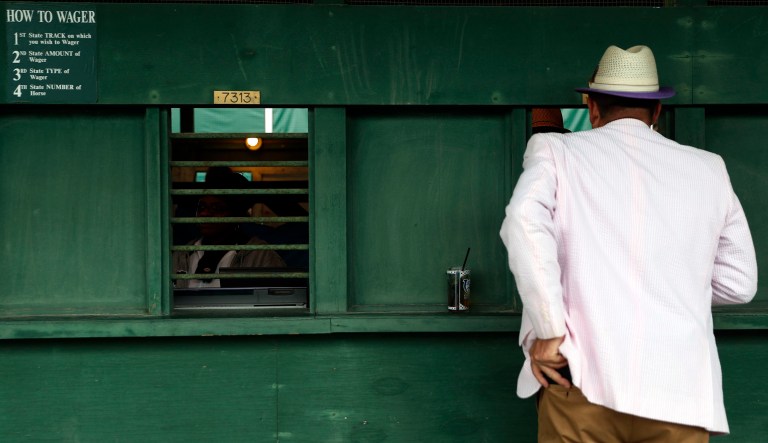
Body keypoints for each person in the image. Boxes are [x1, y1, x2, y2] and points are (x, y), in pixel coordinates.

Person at [500, 45, 757, 441]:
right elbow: (739, 285)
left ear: (593, 108)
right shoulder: (709, 168)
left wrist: (551, 330)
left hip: (579, 380)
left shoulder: (556, 150)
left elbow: (522, 221)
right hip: (680, 391)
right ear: (657, 112)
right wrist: (667, 287)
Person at [173, 167, 286, 288]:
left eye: (216, 208)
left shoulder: (260, 256)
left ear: (235, 213)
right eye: (202, 207)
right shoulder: (182, 255)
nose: (204, 213)